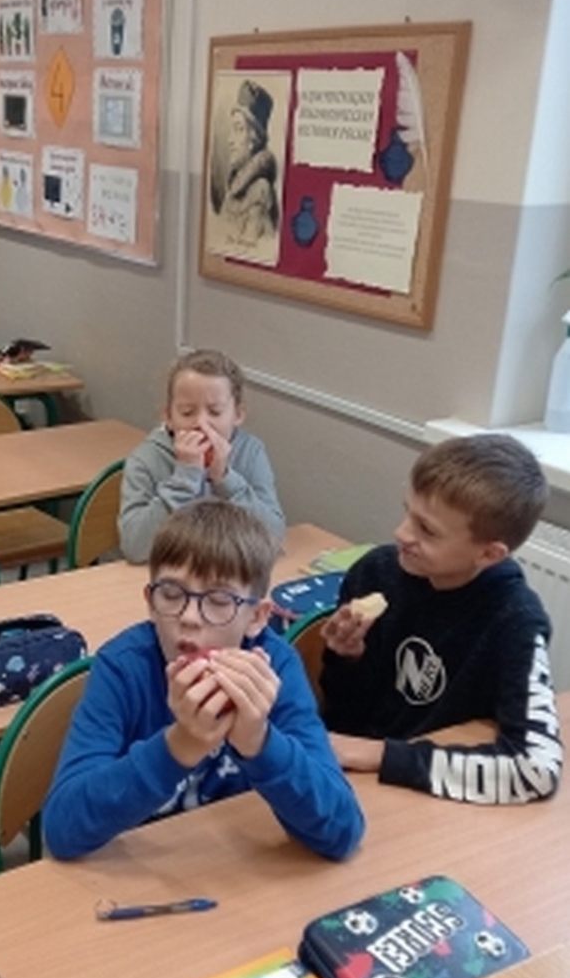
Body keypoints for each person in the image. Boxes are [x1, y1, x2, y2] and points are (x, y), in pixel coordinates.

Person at [43, 500, 364, 860]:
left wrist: (259, 742)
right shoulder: (122, 668)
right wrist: (179, 746)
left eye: (219, 600)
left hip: (232, 865)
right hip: (142, 865)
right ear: (150, 602)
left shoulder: (273, 668)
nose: (190, 617)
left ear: (257, 617)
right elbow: (62, 831)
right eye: (171, 594)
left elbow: (342, 831)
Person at [320, 433, 563, 805]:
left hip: (426, 792)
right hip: (348, 780)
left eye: (427, 530)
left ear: (489, 554)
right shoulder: (376, 572)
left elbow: (537, 770)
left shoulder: (515, 621)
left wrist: (380, 754)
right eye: (408, 512)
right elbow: (345, 713)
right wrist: (346, 658)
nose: (401, 533)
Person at [118, 349, 285, 564]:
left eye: (215, 412)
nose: (201, 423)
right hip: (172, 568)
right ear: (168, 416)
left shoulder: (251, 452)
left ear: (238, 414)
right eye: (187, 412)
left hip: (229, 567)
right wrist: (184, 479)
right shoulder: (146, 459)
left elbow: (274, 535)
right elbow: (134, 546)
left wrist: (225, 479)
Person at [220, 79, 279, 246]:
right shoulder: (235, 185)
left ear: (253, 139)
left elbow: (252, 248)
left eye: (239, 129)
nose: (230, 140)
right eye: (232, 129)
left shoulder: (260, 190)